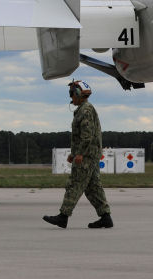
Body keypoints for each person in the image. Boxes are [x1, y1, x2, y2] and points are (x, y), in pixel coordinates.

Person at [43, 80, 113, 229]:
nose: (71, 97)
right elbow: (82, 136)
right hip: (90, 154)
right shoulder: (84, 109)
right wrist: (73, 153)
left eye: (72, 94)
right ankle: (106, 217)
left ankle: (63, 216)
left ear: (79, 94)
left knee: (75, 183)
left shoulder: (85, 111)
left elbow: (86, 136)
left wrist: (79, 154)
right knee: (93, 187)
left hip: (87, 156)